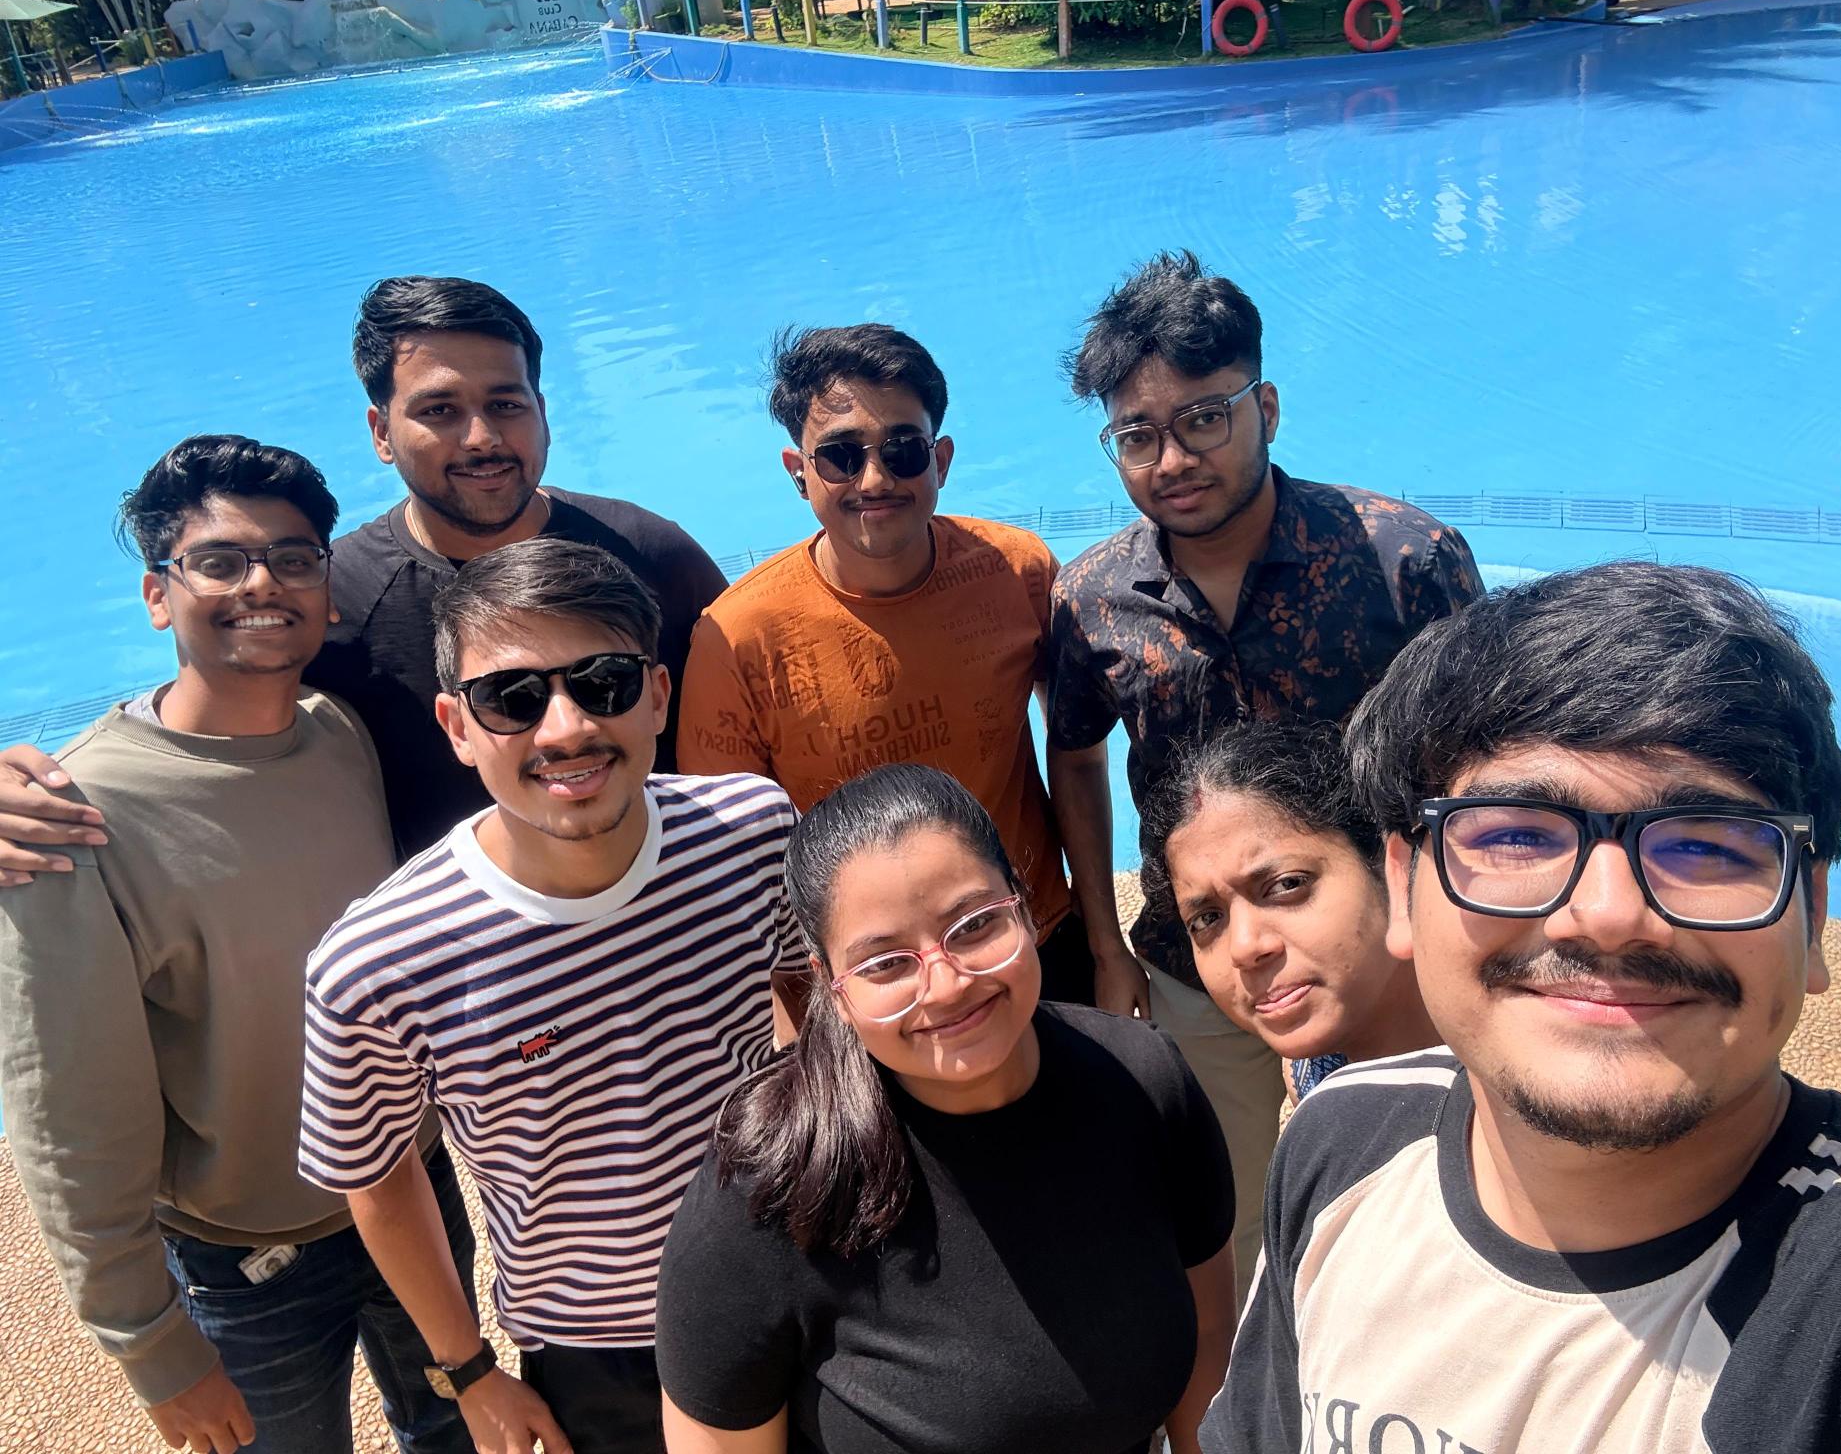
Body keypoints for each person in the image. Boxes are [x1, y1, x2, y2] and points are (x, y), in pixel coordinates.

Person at [1204, 561, 1841, 1453]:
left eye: (1707, 845)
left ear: (1812, 916)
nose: (1610, 915)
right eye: (1517, 833)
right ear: (1403, 887)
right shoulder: (1343, 1136)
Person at [0, 436, 475, 1454]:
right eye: (220, 560)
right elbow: (67, 1113)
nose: (263, 582)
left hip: (412, 1194)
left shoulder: (337, 733)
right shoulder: (74, 815)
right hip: (246, 1262)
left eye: (295, 557)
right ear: (157, 594)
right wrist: (147, 1341)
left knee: (456, 1434)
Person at [298, 539, 805, 1454]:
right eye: (514, 699)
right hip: (593, 1349)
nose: (566, 728)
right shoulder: (377, 961)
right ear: (457, 726)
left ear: (657, 693)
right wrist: (468, 1371)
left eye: (602, 682)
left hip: (793, 1281)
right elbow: (376, 1178)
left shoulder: (754, 832)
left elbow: (812, 1005)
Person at [1045, 250, 1481, 1289]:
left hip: (1390, 947)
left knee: (1427, 1191)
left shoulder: (1402, 558)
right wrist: (1107, 944)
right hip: (1198, 957)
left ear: (1265, 406)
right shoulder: (1092, 598)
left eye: (1204, 417)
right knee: (1219, 1223)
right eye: (1137, 435)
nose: (1173, 457)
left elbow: (1483, 755)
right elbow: (1073, 754)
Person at [0, 275, 728, 870]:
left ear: (541, 411)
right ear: (382, 432)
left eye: (504, 404)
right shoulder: (327, 597)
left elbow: (747, 710)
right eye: (439, 410)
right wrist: (41, 782)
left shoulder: (650, 556)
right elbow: (210, 719)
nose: (481, 437)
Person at [656, 763, 1237, 1454]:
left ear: (1024, 906)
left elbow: (1207, 1343)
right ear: (832, 990)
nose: (945, 984)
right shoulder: (768, 1180)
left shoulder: (1146, 1081)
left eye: (972, 926)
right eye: (885, 964)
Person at [676, 323, 1096, 1005]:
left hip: (1033, 939)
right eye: (841, 456)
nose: (875, 479)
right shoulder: (737, 638)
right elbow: (733, 866)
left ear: (942, 460)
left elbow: (1077, 757)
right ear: (798, 472)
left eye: (903, 449)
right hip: (869, 989)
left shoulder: (1016, 572)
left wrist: (1106, 943)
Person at [1139, 721, 1438, 1103]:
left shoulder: (1509, 1073)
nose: (1243, 948)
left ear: (1393, 870)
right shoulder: (1313, 1072)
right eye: (1207, 919)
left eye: (1286, 885)